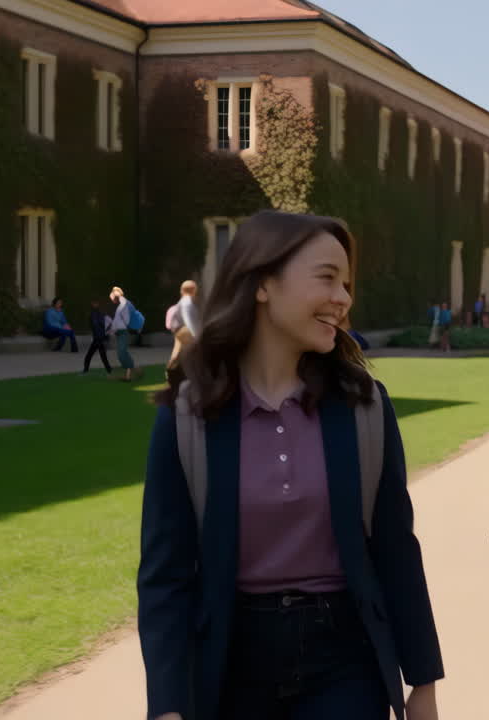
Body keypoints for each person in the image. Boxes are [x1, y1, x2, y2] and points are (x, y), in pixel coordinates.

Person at [139, 211, 442, 720]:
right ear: (262, 283)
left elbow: (395, 550)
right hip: (230, 669)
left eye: (346, 284)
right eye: (326, 278)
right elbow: (165, 576)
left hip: (345, 665)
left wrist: (424, 684)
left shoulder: (363, 405)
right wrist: (167, 705)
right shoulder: (187, 415)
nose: (344, 299)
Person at [166, 280, 200, 369]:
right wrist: (196, 336)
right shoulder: (187, 302)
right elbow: (189, 321)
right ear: (194, 290)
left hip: (179, 330)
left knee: (177, 352)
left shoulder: (184, 301)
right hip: (185, 331)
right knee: (194, 354)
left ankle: (170, 371)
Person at [109, 286, 138, 382]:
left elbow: (126, 319)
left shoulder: (125, 304)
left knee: (122, 352)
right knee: (121, 353)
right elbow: (116, 321)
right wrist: (112, 330)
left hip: (123, 332)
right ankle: (128, 373)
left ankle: (131, 370)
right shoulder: (120, 306)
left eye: (112, 298)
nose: (112, 300)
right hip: (119, 332)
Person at [83, 299, 113, 375]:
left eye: (95, 303)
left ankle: (86, 370)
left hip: (98, 338)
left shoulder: (95, 314)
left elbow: (96, 325)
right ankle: (109, 370)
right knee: (102, 356)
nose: (94, 304)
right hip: (99, 338)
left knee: (90, 355)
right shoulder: (99, 314)